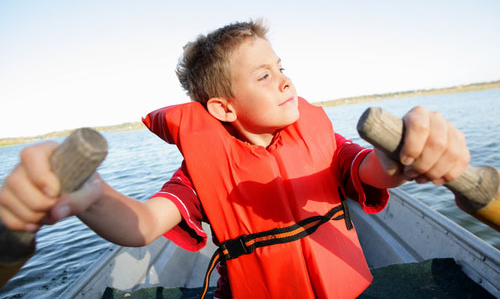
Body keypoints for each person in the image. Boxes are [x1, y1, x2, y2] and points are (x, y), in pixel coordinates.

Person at [0, 20, 470, 298]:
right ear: (224, 108)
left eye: (281, 68)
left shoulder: (321, 140)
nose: (285, 81)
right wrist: (91, 196)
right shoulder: (200, 173)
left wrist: (403, 155)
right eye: (264, 76)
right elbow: (140, 226)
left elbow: (372, 170)